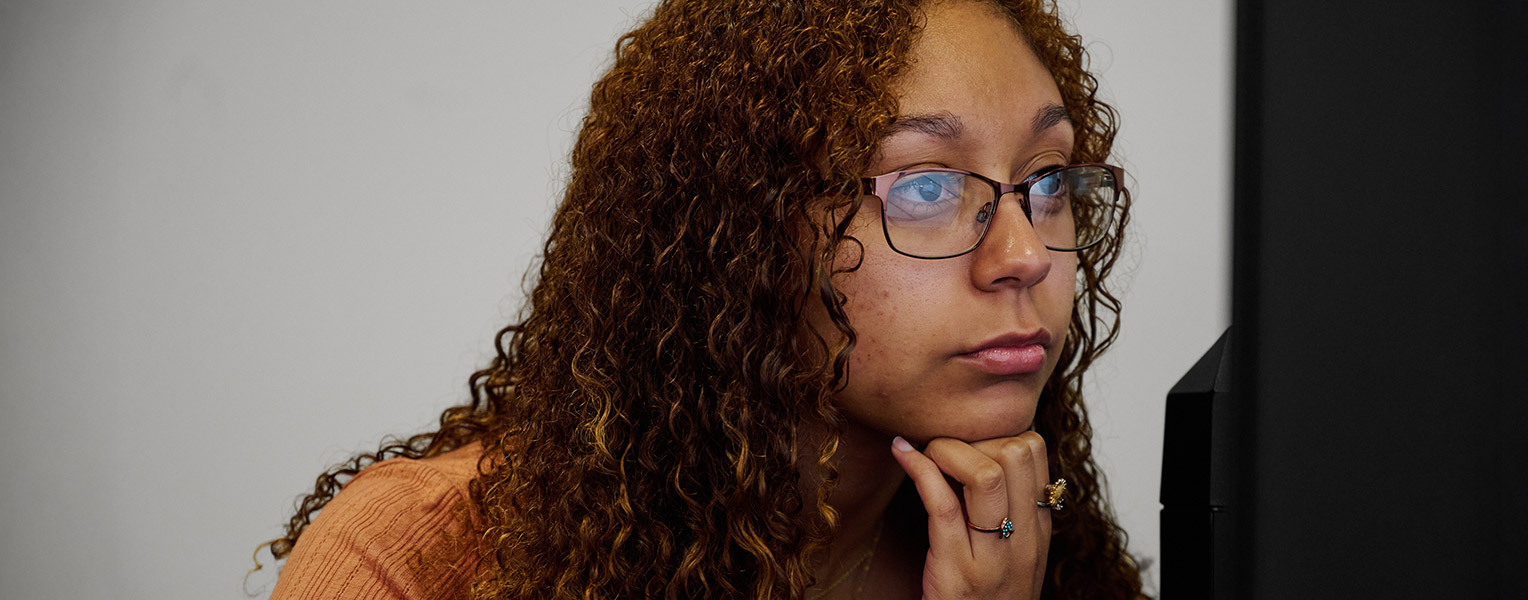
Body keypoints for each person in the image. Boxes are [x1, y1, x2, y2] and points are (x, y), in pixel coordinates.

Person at [259, 0, 1141, 598]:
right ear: (742, 229)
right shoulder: (414, 567)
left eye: (1049, 178)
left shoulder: (1037, 555)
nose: (1025, 255)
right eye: (923, 186)